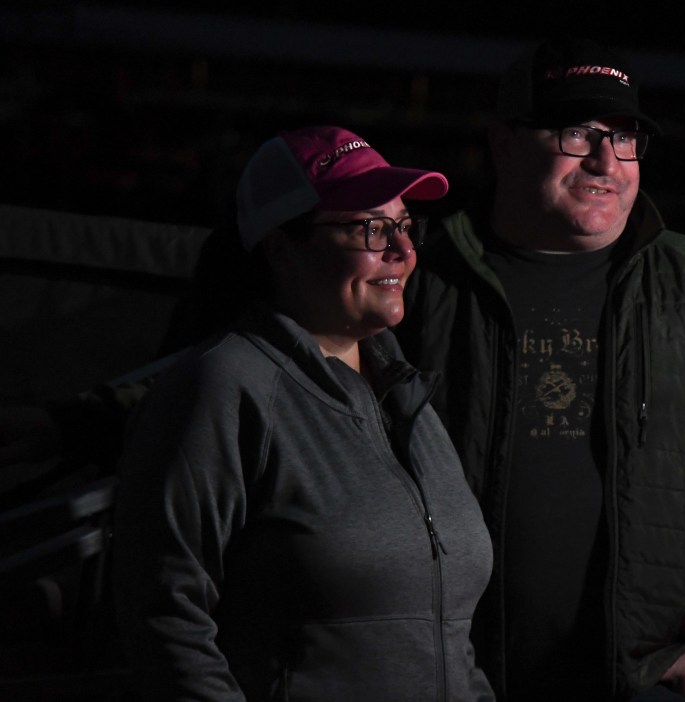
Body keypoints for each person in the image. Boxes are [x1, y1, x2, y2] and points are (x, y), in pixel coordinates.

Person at [395, 37, 685, 702]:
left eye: (625, 137)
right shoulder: (424, 283)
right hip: (452, 678)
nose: (605, 161)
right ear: (504, 143)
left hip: (648, 684)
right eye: (578, 132)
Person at [111, 125, 495, 701]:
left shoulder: (408, 397)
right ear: (281, 249)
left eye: (405, 225)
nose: (403, 251)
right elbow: (166, 619)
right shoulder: (223, 388)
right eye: (371, 228)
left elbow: (450, 636)